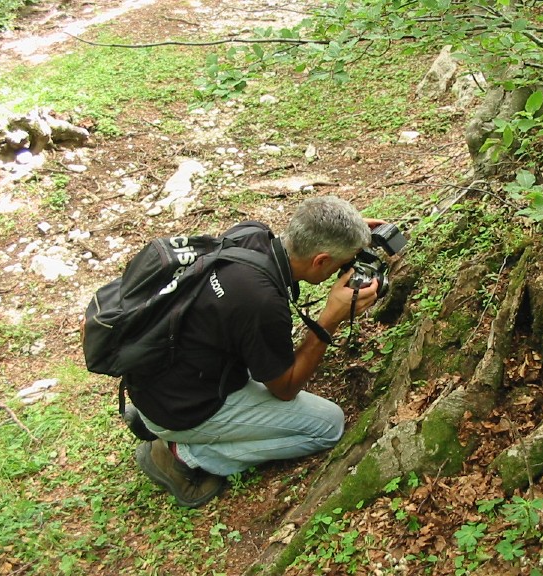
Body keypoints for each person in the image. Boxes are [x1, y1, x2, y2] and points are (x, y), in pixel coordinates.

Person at [125, 196, 381, 508]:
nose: (343, 271)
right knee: (328, 425)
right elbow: (284, 388)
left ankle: (152, 418)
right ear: (320, 260)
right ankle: (183, 453)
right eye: (341, 264)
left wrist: (351, 236)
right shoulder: (260, 303)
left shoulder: (251, 234)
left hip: (154, 379)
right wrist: (329, 320)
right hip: (183, 407)